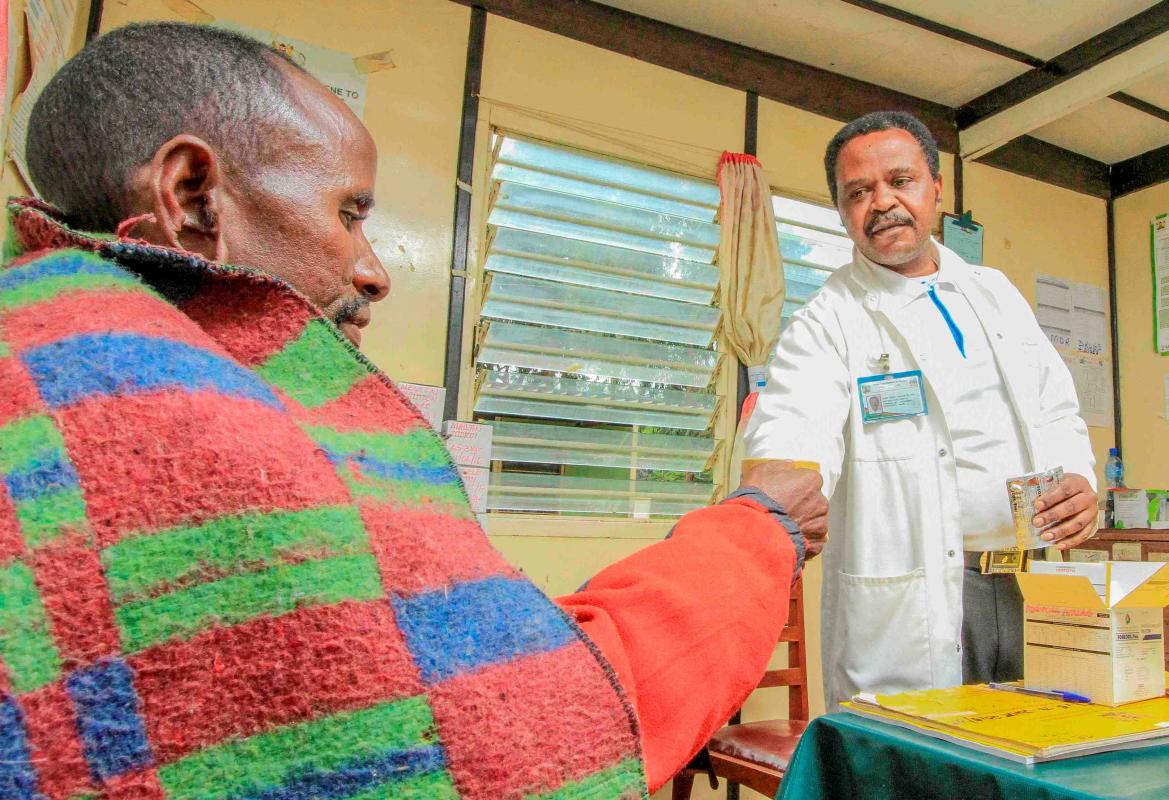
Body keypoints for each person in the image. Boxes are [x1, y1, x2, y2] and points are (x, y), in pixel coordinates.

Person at [0, 22, 827, 799]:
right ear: (192, 195)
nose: (373, 271)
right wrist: (756, 529)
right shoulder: (166, 411)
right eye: (349, 212)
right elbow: (532, 728)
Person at [744, 111, 1098, 709]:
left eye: (900, 180)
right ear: (841, 212)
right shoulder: (828, 321)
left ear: (936, 188)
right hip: (916, 604)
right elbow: (792, 425)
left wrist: (1080, 478)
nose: (882, 202)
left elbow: (1056, 405)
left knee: (1029, 763)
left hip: (1027, 580)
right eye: (858, 192)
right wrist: (762, 509)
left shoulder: (995, 293)